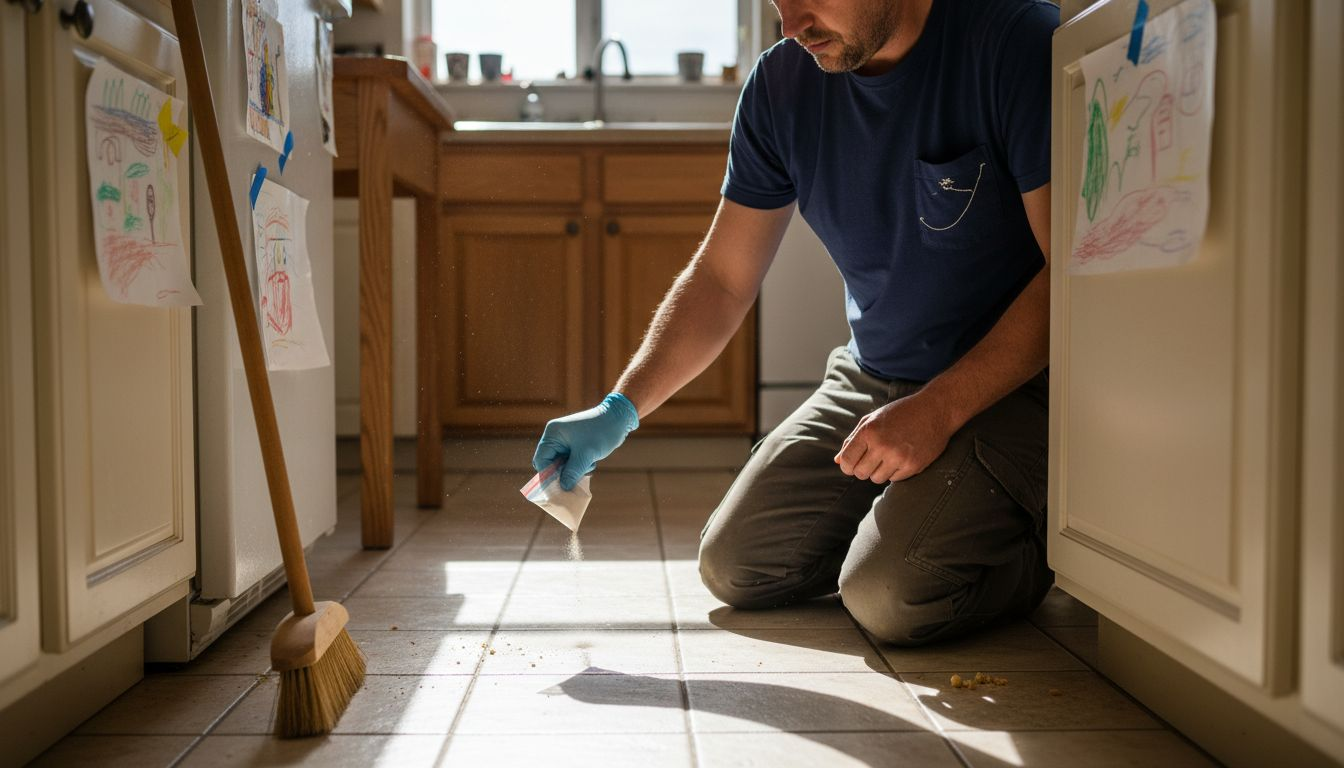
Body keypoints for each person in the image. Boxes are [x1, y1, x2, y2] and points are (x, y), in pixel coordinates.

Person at [531, 0, 1059, 646]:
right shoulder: (781, 85)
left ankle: (1037, 547)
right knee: (735, 567)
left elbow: (1074, 274)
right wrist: (620, 408)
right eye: (777, 2)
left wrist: (940, 410)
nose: (793, 25)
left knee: (890, 597)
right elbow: (723, 280)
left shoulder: (1016, 43)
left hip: (1011, 386)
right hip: (872, 377)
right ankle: (919, 515)